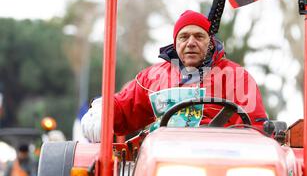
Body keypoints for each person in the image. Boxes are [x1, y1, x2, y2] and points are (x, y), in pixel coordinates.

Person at [81, 10, 268, 142]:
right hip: (163, 159)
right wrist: (103, 110)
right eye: (184, 37)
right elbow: (124, 107)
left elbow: (255, 127)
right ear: (175, 42)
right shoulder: (153, 77)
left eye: (199, 36)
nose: (191, 43)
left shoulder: (236, 77)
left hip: (219, 161)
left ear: (211, 42)